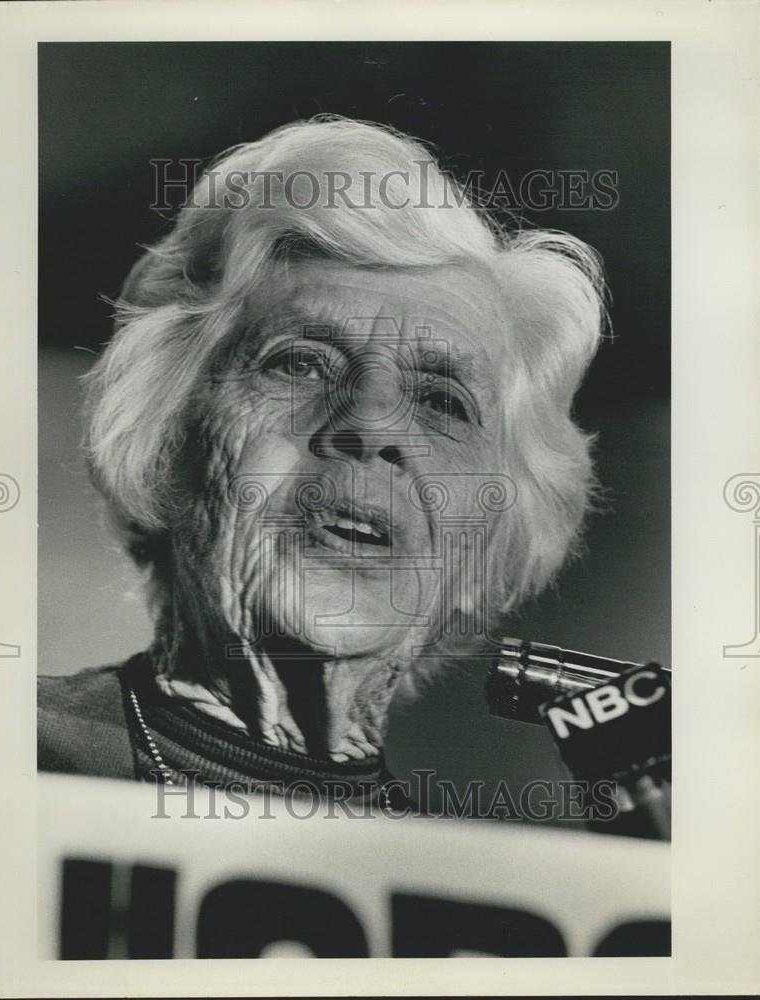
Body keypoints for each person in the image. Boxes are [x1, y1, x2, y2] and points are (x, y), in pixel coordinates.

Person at [38, 116, 606, 807]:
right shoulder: (14, 760)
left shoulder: (467, 894)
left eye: (442, 402)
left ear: (486, 545)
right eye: (301, 364)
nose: (372, 423)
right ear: (166, 449)